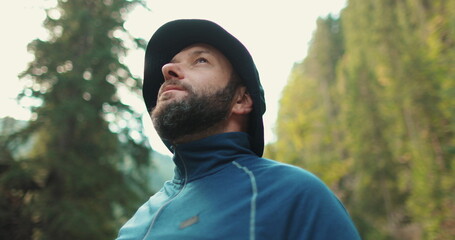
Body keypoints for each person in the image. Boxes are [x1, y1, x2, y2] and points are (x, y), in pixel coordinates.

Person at [117, 19, 361, 240]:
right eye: (171, 65)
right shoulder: (134, 224)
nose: (167, 69)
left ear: (241, 100)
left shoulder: (293, 196)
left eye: (201, 60)